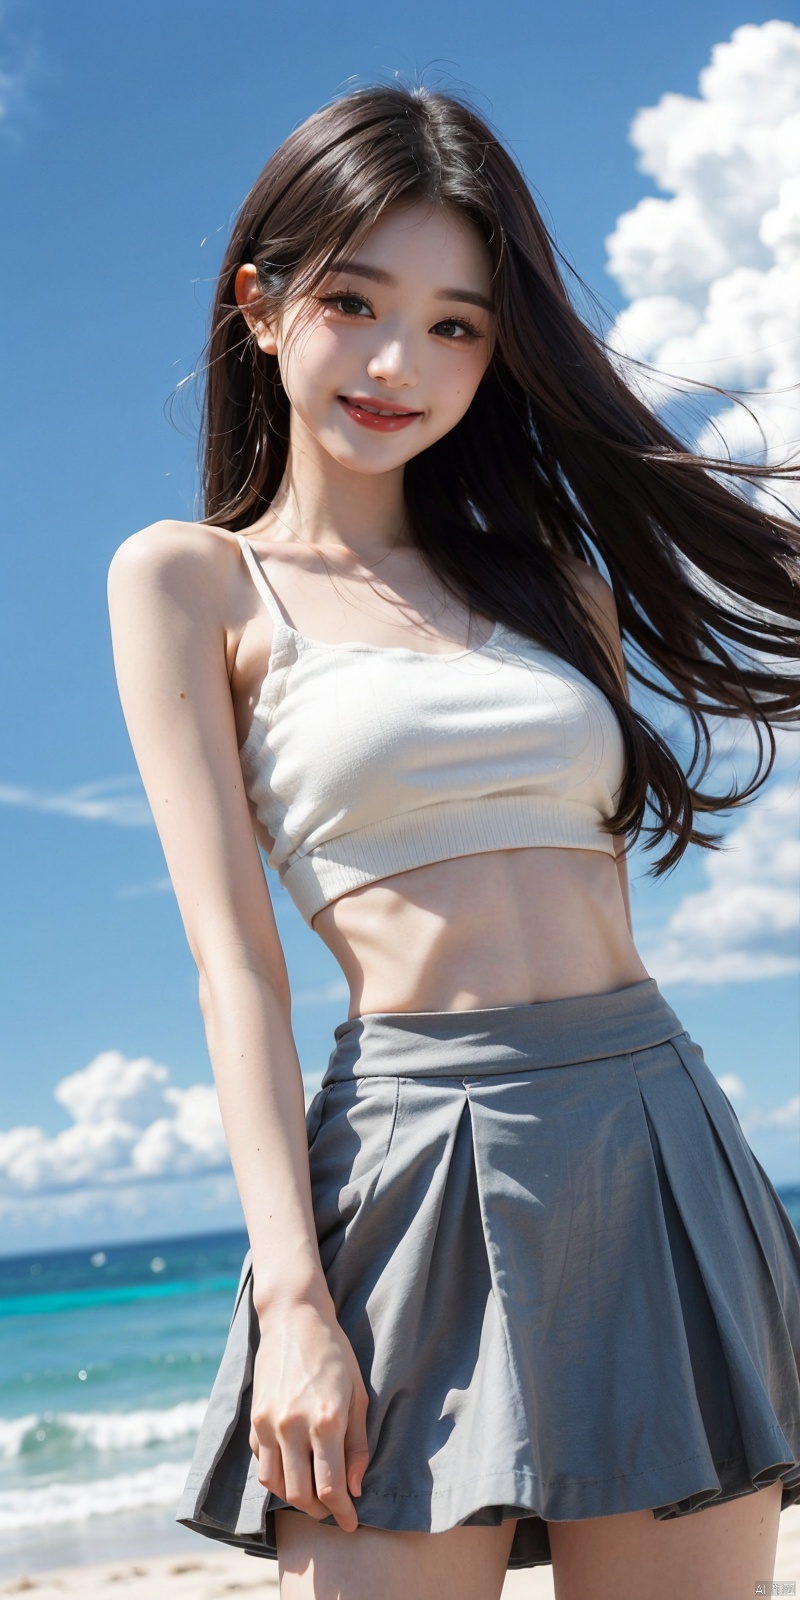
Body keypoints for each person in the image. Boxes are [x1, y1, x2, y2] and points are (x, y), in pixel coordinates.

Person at [107, 83, 800, 1600]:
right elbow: (238, 973)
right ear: (260, 305)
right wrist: (291, 1294)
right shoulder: (194, 584)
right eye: (354, 300)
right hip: (409, 1162)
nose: (396, 362)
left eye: (456, 325)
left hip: (656, 1138)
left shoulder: (561, 582)